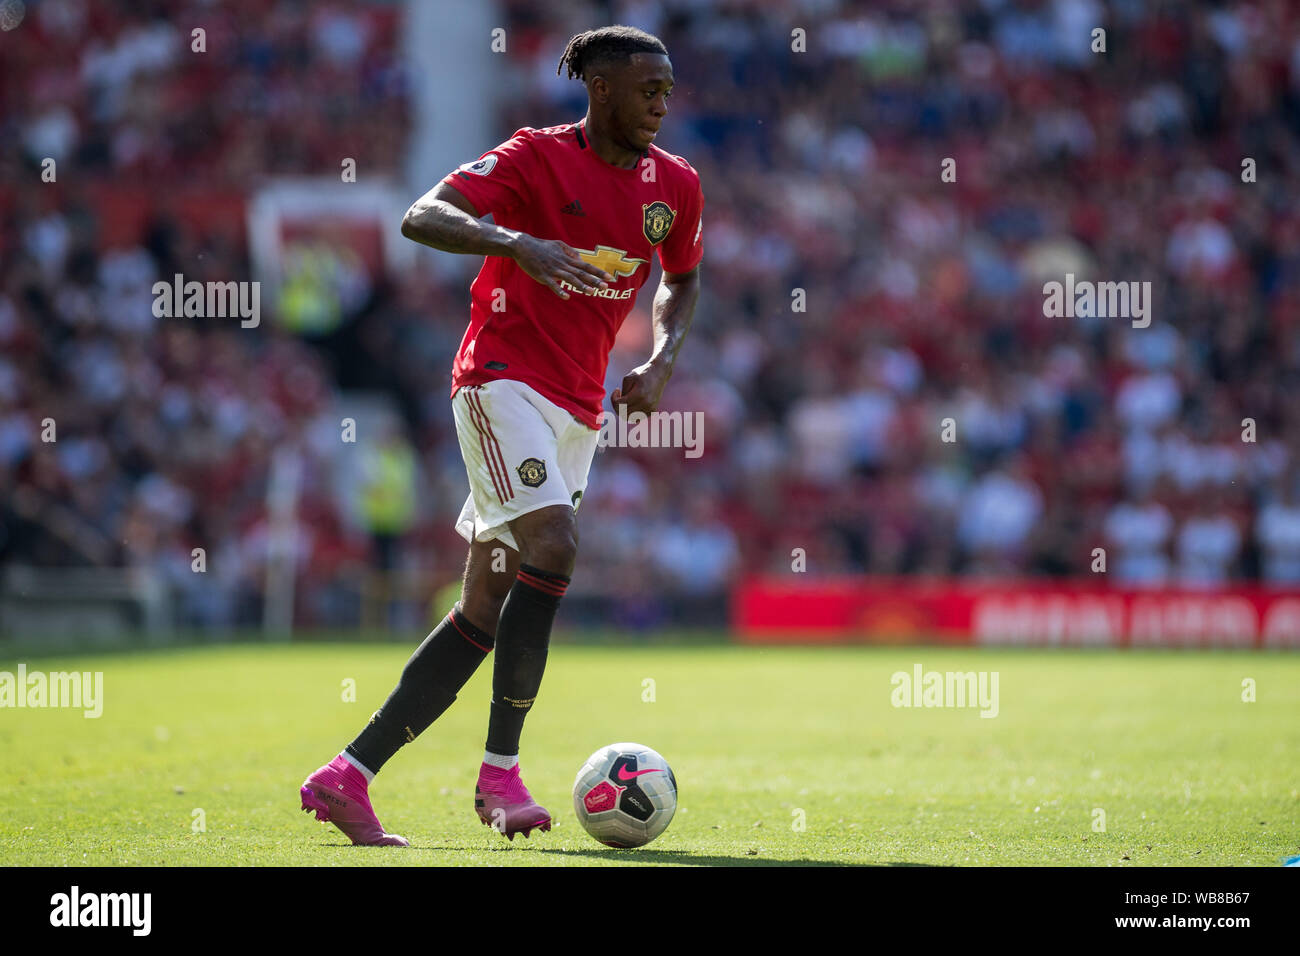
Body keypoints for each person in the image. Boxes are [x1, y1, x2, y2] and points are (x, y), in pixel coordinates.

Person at [299, 25, 703, 845]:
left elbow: (683, 280)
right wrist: (516, 240)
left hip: (580, 409)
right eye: (645, 86)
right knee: (556, 543)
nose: (662, 100)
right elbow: (423, 215)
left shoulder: (677, 186)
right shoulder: (532, 158)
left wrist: (661, 360)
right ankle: (500, 773)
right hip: (499, 382)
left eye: (667, 87)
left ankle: (348, 774)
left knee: (483, 605)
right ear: (598, 88)